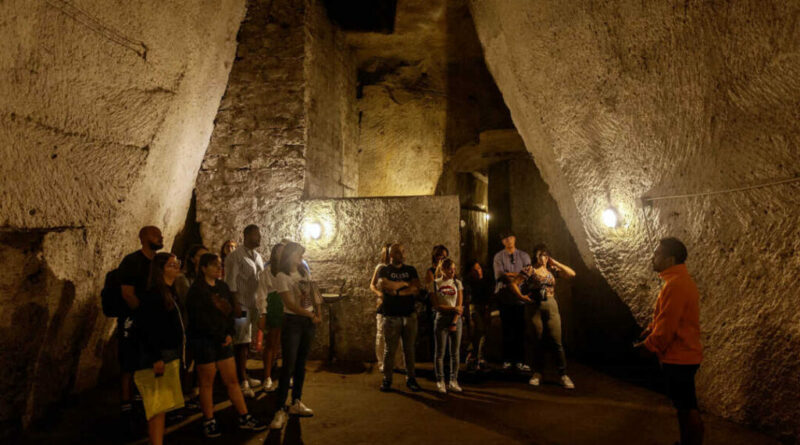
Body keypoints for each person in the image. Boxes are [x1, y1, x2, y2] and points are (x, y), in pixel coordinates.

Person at [187, 253, 266, 438]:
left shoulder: (222, 287)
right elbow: (199, 319)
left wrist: (229, 333)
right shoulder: (196, 291)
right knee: (207, 383)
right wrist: (220, 334)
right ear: (204, 268)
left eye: (220, 265)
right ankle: (209, 420)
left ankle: (244, 416)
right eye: (214, 265)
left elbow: (231, 313)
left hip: (223, 340)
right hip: (205, 341)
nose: (218, 269)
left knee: (232, 380)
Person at [634, 238, 703, 445]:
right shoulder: (677, 282)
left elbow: (667, 327)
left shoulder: (676, 285)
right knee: (684, 405)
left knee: (687, 406)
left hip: (680, 356)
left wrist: (648, 347)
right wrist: (648, 331)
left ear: (670, 259)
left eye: (657, 254)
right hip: (683, 354)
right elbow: (664, 318)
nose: (653, 258)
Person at [133, 253, 185, 445]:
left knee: (161, 405)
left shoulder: (170, 291)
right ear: (160, 269)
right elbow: (147, 327)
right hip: (159, 355)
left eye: (177, 263)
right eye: (172, 265)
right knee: (156, 406)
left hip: (169, 353)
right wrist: (155, 357)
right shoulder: (154, 295)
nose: (176, 267)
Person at [269, 242, 321, 430]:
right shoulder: (282, 276)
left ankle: (296, 401)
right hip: (293, 323)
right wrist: (310, 314)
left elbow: (311, 294)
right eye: (299, 254)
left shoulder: (303, 273)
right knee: (288, 365)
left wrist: (316, 312)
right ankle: (279, 409)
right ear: (290, 255)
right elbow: (290, 304)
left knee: (301, 364)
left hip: (307, 322)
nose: (301, 258)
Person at [117, 226, 163, 434]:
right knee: (129, 363)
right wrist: (143, 315)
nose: (160, 238)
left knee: (146, 361)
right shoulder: (132, 261)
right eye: (156, 235)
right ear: (144, 238)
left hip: (151, 321)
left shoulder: (157, 263)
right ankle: (126, 407)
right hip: (133, 320)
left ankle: (142, 403)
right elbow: (127, 293)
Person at [518, 244, 577, 389]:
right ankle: (537, 373)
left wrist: (555, 262)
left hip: (551, 305)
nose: (542, 258)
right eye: (540, 255)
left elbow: (571, 274)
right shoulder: (530, 270)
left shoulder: (552, 270)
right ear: (535, 256)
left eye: (545, 255)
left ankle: (563, 374)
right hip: (536, 307)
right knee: (537, 340)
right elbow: (515, 283)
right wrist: (523, 297)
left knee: (557, 341)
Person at [377, 243, 422, 392]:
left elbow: (416, 288)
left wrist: (396, 292)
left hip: (409, 315)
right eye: (397, 252)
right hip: (391, 316)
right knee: (390, 350)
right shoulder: (384, 270)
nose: (401, 254)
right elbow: (384, 285)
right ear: (391, 255)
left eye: (402, 251)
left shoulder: (411, 270)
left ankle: (411, 379)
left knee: (409, 349)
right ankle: (387, 379)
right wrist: (404, 284)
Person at [224, 226, 264, 397]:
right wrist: (236, 305)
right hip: (241, 304)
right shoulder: (235, 257)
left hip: (253, 304)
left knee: (248, 342)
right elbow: (230, 283)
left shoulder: (257, 256)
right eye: (256, 235)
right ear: (247, 236)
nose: (259, 238)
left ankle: (244, 374)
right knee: (241, 342)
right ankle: (242, 381)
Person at [174, 244, 208, 409]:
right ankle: (184, 395)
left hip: (202, 325)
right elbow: (187, 300)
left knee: (198, 361)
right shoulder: (182, 278)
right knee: (187, 362)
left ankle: (194, 392)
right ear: (193, 259)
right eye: (201, 256)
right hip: (189, 325)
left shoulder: (203, 279)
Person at [492, 231, 532, 371]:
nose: (508, 240)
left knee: (520, 329)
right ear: (502, 242)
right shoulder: (498, 256)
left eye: (510, 237)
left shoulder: (524, 255)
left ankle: (520, 360)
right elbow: (500, 275)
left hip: (520, 298)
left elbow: (528, 273)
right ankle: (508, 360)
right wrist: (518, 275)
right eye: (505, 239)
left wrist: (510, 276)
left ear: (514, 238)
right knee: (507, 329)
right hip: (505, 297)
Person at [255, 242, 286, 391]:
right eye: (278, 252)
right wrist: (263, 313)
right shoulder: (267, 272)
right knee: (271, 344)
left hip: (287, 306)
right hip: (274, 307)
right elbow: (261, 295)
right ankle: (267, 377)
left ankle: (285, 376)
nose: (280, 255)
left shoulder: (290, 272)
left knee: (286, 344)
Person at [370, 243, 405, 373]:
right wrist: (379, 294)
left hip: (397, 304)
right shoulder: (380, 267)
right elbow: (372, 285)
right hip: (383, 306)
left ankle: (398, 363)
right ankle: (382, 363)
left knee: (398, 335)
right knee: (382, 334)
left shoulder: (399, 268)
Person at [432, 258, 464, 394]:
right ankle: (440, 381)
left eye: (454, 268)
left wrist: (454, 321)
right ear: (443, 270)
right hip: (441, 319)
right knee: (440, 353)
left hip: (455, 320)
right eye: (450, 269)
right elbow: (437, 306)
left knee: (455, 353)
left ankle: (453, 380)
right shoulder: (435, 284)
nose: (453, 271)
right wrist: (452, 309)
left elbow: (460, 306)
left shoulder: (457, 283)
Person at [463, 260, 491, 371]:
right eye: (475, 270)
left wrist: (487, 309)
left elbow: (488, 296)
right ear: (470, 272)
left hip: (483, 307)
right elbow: (467, 300)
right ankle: (474, 355)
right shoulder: (468, 282)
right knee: (479, 329)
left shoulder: (485, 280)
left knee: (483, 332)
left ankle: (477, 356)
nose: (478, 271)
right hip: (473, 307)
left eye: (479, 268)